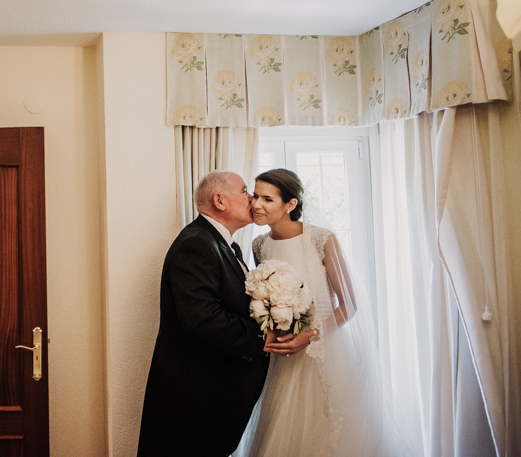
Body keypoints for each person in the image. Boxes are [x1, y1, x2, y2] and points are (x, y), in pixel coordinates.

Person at [246, 168, 410, 457]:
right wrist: (272, 328)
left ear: (290, 205)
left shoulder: (321, 239)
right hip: (283, 354)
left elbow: (349, 305)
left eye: (267, 199)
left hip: (325, 351)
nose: (256, 204)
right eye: (255, 195)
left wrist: (307, 337)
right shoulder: (259, 245)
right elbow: (264, 298)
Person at [137, 171, 269, 457]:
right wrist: (264, 337)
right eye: (246, 190)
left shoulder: (221, 244)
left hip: (211, 396)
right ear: (219, 200)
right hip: (197, 398)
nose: (252, 198)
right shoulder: (197, 243)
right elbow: (202, 319)